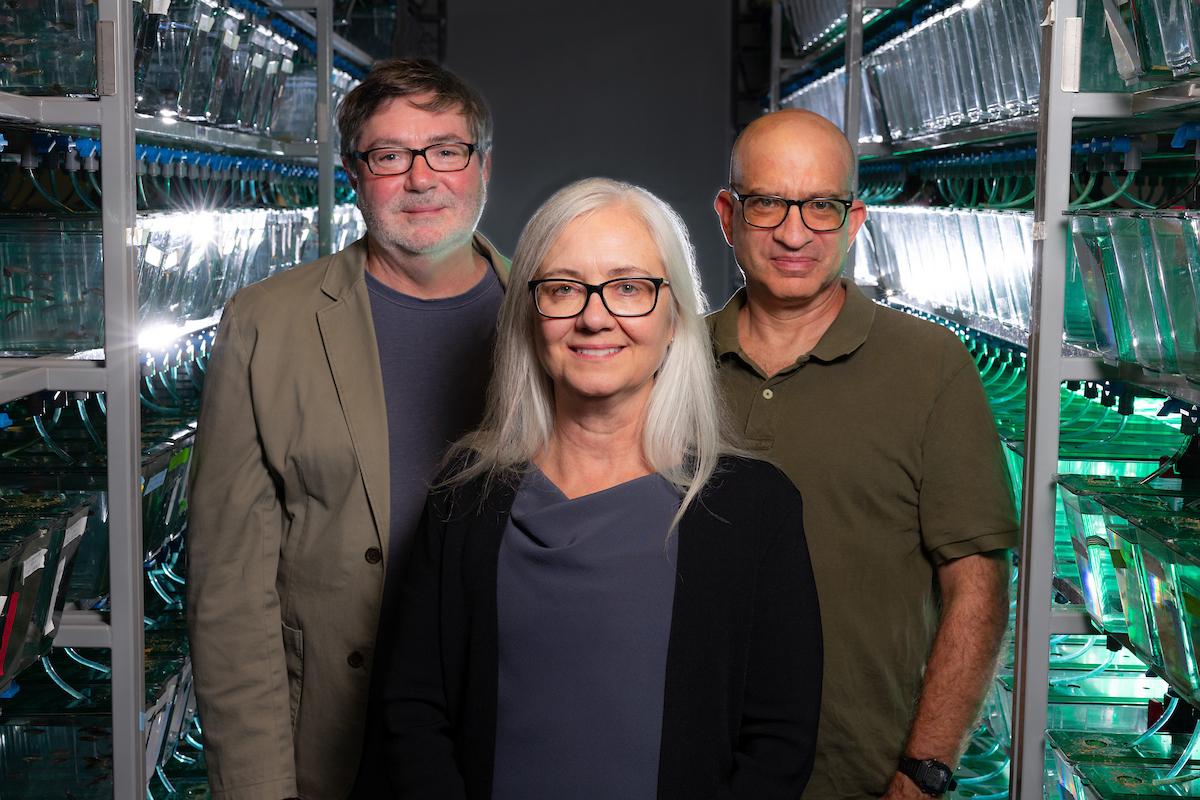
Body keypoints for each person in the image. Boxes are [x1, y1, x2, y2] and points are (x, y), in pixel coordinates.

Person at [382, 177, 823, 800]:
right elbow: (412, 713)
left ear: (674, 318)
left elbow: (779, 742)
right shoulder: (463, 500)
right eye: (563, 288)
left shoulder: (755, 508)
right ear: (529, 318)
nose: (594, 317)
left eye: (629, 288)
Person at [186, 58, 508, 800]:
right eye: (390, 156)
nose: (421, 179)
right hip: (336, 747)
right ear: (355, 175)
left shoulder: (553, 314)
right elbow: (229, 593)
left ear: (483, 165)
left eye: (446, 151)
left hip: (504, 737)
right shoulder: (267, 322)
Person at [710, 108, 1019, 800]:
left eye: (821, 206)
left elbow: (978, 587)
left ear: (854, 221)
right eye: (767, 205)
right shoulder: (671, 361)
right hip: (691, 772)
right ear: (729, 214)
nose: (795, 233)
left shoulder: (930, 365)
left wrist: (923, 772)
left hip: (866, 779)